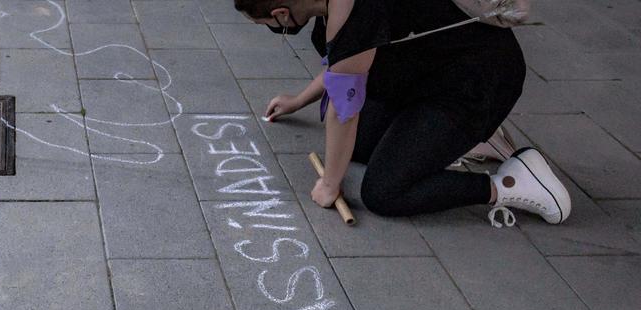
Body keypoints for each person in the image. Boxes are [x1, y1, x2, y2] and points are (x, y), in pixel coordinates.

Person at [235, 0, 571, 226]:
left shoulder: (356, 11)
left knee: (383, 193)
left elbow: (344, 107)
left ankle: (512, 183)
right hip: (427, 76)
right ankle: (462, 142)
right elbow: (345, 64)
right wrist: (300, 99)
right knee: (359, 143)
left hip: (476, 84)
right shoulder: (334, 4)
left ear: (280, 12)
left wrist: (329, 183)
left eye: (265, 22)